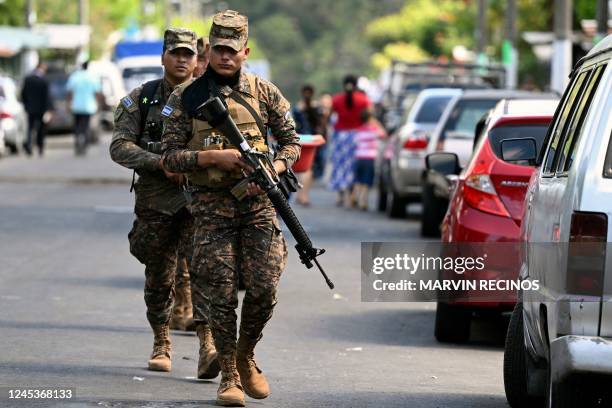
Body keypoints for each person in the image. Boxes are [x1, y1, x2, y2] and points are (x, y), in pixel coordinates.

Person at [161, 10, 300, 407]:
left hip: (258, 205)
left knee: (265, 287)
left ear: (245, 51)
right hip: (210, 209)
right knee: (219, 295)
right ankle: (229, 375)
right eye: (218, 49)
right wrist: (210, 160)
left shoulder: (265, 92)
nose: (225, 57)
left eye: (232, 51)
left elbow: (292, 142)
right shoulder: (184, 98)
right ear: (209, 49)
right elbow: (169, 158)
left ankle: (246, 352)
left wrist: (273, 166)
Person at [110, 28, 220, 378]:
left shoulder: (212, 99)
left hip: (199, 200)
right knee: (159, 275)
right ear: (163, 57)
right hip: (157, 201)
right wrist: (160, 163)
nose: (182, 59)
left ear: (196, 59)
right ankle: (161, 341)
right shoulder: (140, 99)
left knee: (204, 273)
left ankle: (208, 346)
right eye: (176, 53)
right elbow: (120, 147)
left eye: (188, 54)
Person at [330, 74, 371, 207]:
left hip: (340, 136)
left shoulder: (336, 99)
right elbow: (369, 117)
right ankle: (351, 195)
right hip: (357, 136)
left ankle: (339, 196)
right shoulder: (364, 99)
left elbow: (329, 116)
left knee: (339, 165)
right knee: (353, 166)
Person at [292, 84, 323, 206]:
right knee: (308, 169)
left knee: (299, 169)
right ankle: (304, 195)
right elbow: (320, 124)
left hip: (299, 139)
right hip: (311, 140)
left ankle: (300, 194)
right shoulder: (316, 107)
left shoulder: (297, 108)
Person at [67, 61, 103, 155]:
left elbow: (70, 92)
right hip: (88, 106)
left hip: (76, 106)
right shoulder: (92, 77)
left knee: (77, 126)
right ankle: (85, 145)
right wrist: (98, 104)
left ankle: (77, 144)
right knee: (86, 126)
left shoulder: (74, 76)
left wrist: (68, 104)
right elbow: (98, 92)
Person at [353, 110, 386, 210]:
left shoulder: (359, 129)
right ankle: (363, 200)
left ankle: (355, 195)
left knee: (358, 179)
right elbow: (383, 135)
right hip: (369, 157)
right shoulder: (374, 129)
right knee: (366, 180)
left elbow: (355, 141)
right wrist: (378, 124)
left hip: (358, 157)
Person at [20, 62, 52, 156]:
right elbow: (47, 97)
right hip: (42, 109)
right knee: (41, 129)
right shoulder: (44, 81)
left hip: (30, 109)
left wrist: (26, 105)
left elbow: (23, 94)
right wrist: (48, 109)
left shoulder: (28, 79)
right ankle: (40, 146)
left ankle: (29, 146)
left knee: (30, 128)